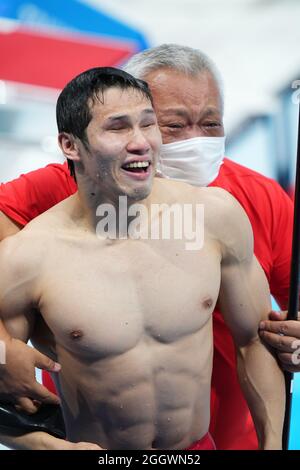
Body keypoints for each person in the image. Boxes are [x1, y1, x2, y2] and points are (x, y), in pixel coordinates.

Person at [0, 44, 296, 450]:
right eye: (174, 125)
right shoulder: (33, 239)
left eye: (149, 125)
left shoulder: (226, 212)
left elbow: (256, 339)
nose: (141, 142)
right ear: (72, 146)